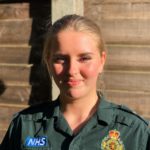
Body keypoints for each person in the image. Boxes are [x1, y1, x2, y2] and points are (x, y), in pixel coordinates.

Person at [0, 14, 150, 150]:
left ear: (101, 61)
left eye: (84, 58)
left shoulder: (135, 132)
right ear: (48, 62)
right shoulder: (24, 126)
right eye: (60, 59)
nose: (72, 70)